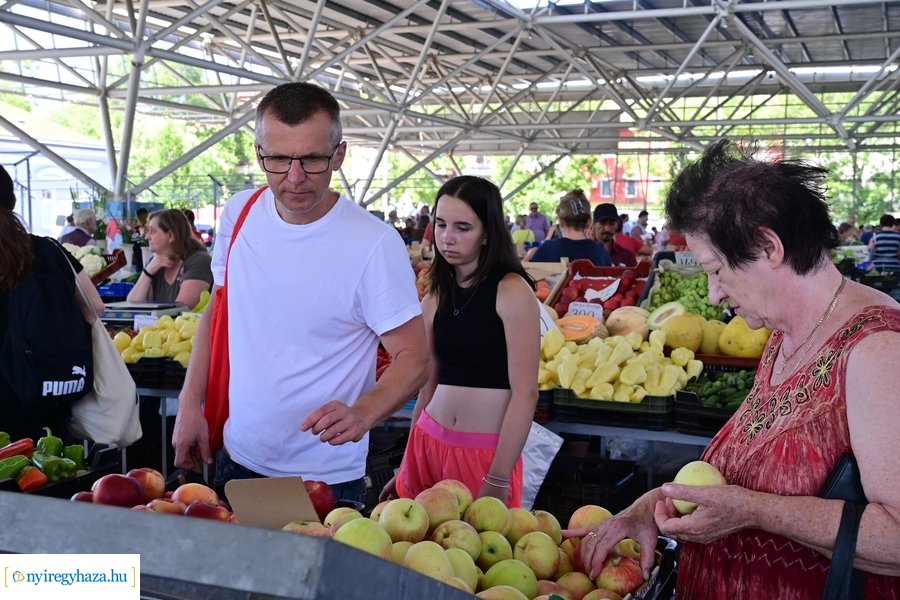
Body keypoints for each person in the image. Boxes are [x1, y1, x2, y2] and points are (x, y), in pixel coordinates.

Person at [566, 140, 900, 599]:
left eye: (717, 271)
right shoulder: (785, 333)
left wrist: (755, 511)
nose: (714, 294)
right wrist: (654, 504)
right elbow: (748, 464)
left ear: (768, 247)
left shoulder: (878, 350)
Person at [171, 82, 428, 504]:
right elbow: (218, 312)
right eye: (277, 160)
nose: (294, 178)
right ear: (259, 153)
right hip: (238, 458)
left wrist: (364, 412)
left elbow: (414, 357)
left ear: (338, 155)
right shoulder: (239, 214)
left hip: (324, 477)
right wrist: (189, 405)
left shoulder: (374, 244)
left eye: (312, 159)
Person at [380, 176, 539, 507]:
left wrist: (498, 476)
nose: (446, 237)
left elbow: (526, 394)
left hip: (484, 456)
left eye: (462, 227)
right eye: (440, 224)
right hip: (427, 443)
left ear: (487, 233)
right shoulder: (437, 293)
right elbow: (427, 386)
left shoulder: (512, 290)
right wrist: (407, 464)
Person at [0, 165, 105, 439]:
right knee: (54, 463)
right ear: (12, 200)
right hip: (47, 394)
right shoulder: (48, 249)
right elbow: (95, 306)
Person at [126, 209, 213, 308]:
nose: (147, 237)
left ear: (171, 235)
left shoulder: (199, 261)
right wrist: (148, 272)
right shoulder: (155, 264)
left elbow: (182, 309)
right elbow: (132, 306)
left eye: (153, 231)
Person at [526, 190, 612, 266]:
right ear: (589, 222)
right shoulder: (600, 251)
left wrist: (528, 257)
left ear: (561, 222)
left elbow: (526, 276)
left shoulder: (547, 249)